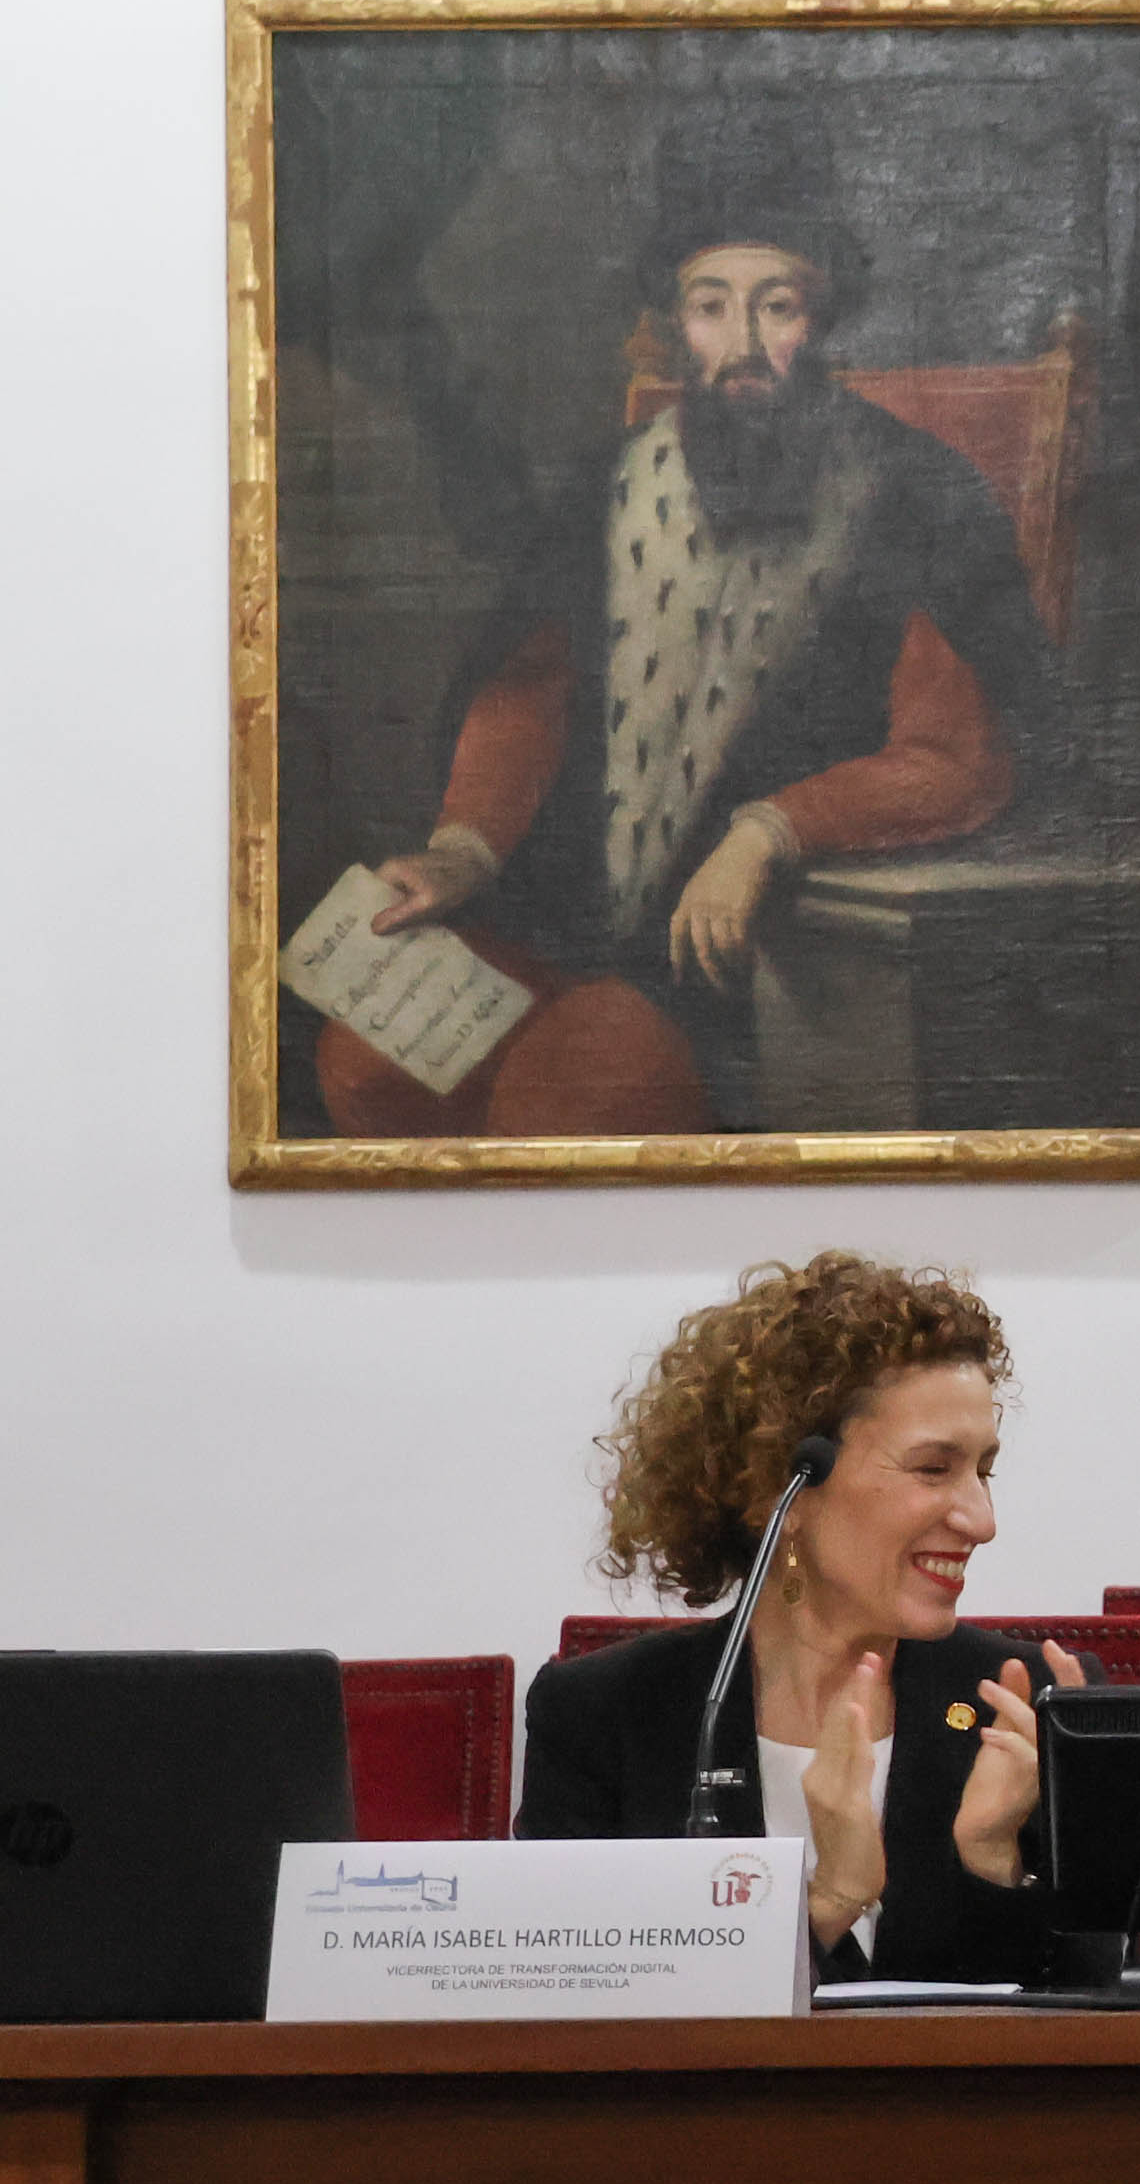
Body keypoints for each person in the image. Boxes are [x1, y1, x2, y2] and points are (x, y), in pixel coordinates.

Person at [323, 133, 1052, 1138]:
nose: (743, 343)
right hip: (549, 922)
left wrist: (769, 830)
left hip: (745, 961)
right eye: (712, 306)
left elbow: (958, 755)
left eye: (777, 305)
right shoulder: (609, 481)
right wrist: (461, 851)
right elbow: (526, 693)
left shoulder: (918, 493)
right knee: (366, 1062)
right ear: (675, 325)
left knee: (577, 1092)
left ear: (822, 316)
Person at [517, 1253, 1079, 1984]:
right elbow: (577, 2011)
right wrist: (828, 1905)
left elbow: (1113, 2020)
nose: (982, 1519)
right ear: (781, 1490)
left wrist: (993, 1860)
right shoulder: (605, 1717)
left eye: (984, 1471)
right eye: (933, 1469)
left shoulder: (1029, 1709)